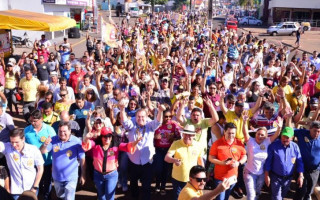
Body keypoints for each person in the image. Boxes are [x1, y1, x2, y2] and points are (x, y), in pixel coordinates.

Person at [119, 98, 165, 200]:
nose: (141, 119)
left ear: (147, 116)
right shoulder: (132, 123)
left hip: (147, 161)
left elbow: (158, 122)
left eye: (143, 117)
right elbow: (125, 122)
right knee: (134, 184)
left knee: (146, 186)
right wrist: (122, 109)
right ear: (135, 117)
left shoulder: (149, 124)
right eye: (138, 117)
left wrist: (160, 111)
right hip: (133, 161)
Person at [82, 127, 142, 200]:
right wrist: (86, 138)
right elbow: (86, 145)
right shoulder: (96, 144)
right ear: (101, 137)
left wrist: (137, 141)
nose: (107, 138)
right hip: (98, 175)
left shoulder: (116, 144)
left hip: (111, 175)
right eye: (105, 136)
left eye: (109, 136)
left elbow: (128, 146)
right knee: (101, 196)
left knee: (109, 197)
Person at [242, 111, 283, 200]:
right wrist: (244, 122)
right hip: (249, 172)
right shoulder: (250, 141)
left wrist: (279, 127)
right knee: (251, 196)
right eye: (258, 134)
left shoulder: (267, 142)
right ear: (255, 134)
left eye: (262, 135)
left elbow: (276, 135)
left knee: (257, 193)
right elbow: (245, 133)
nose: (260, 136)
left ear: (266, 136)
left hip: (261, 174)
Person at [40, 121, 86, 200]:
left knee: (69, 198)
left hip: (71, 178)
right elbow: (42, 151)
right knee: (60, 196)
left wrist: (83, 175)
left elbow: (82, 159)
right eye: (60, 131)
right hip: (57, 177)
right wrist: (45, 144)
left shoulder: (77, 142)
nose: (62, 133)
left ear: (70, 131)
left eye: (64, 131)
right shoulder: (53, 139)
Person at [0, 128, 44, 200]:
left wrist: (35, 186)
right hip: (16, 190)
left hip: (31, 189)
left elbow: (40, 168)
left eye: (17, 142)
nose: (14, 145)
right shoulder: (7, 147)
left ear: (23, 139)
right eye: (12, 142)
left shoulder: (33, 149)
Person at [164, 124, 204, 200]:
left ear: (193, 136)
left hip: (192, 180)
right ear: (182, 134)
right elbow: (166, 158)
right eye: (185, 134)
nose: (187, 137)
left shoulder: (198, 145)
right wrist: (174, 160)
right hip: (178, 179)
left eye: (190, 135)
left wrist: (202, 176)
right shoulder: (176, 143)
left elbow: (200, 160)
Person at [208, 122, 247, 200]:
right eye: (229, 133)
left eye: (233, 133)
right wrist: (222, 163)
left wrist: (238, 163)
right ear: (224, 131)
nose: (231, 135)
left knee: (226, 198)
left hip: (232, 178)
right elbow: (211, 158)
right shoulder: (217, 143)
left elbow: (244, 156)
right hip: (220, 178)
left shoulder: (239, 143)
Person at [264, 126, 304, 200]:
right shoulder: (273, 146)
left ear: (292, 138)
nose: (285, 139)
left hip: (288, 179)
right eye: (283, 136)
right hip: (275, 177)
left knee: (282, 196)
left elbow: (300, 162)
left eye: (287, 137)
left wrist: (301, 175)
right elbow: (268, 161)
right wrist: (266, 175)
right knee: (277, 197)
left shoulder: (295, 147)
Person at [24, 109, 56, 200]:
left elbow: (55, 146)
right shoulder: (26, 131)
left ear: (41, 119)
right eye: (31, 121)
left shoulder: (49, 130)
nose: (33, 123)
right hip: (32, 163)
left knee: (47, 183)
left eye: (35, 121)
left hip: (47, 162)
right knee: (35, 183)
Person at [154, 109, 181, 195]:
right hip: (158, 149)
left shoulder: (173, 125)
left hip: (168, 150)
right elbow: (149, 135)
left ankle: (163, 187)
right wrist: (154, 137)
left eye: (170, 116)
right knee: (158, 169)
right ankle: (157, 185)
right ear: (162, 116)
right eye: (166, 116)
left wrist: (173, 138)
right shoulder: (156, 124)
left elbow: (179, 137)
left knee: (165, 169)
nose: (168, 118)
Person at [293, 121, 320, 200]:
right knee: (300, 191)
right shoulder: (302, 133)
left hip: (315, 171)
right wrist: (289, 118)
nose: (317, 133)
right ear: (310, 129)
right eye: (315, 131)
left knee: (309, 192)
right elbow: (290, 130)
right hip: (302, 169)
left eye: (319, 131)